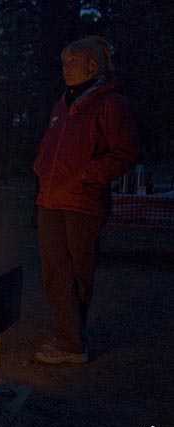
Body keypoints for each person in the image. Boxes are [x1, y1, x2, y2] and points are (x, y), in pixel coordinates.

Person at [32, 36, 140, 365]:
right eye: (63, 62)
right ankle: (69, 336)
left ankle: (72, 344)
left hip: (83, 201)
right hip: (50, 199)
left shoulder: (109, 103)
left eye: (72, 62)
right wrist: (40, 166)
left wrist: (88, 173)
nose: (65, 68)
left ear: (92, 65)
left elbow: (127, 151)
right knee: (54, 272)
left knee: (77, 273)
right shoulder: (63, 104)